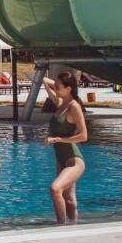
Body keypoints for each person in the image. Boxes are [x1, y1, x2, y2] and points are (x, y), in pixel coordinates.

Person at [43, 71, 88, 224]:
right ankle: (74, 227)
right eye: (55, 86)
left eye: (58, 86)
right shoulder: (61, 104)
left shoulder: (74, 107)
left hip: (74, 160)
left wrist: (58, 139)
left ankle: (61, 227)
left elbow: (83, 136)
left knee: (55, 189)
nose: (55, 89)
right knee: (69, 199)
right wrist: (55, 83)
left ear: (69, 89)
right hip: (61, 160)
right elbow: (44, 81)